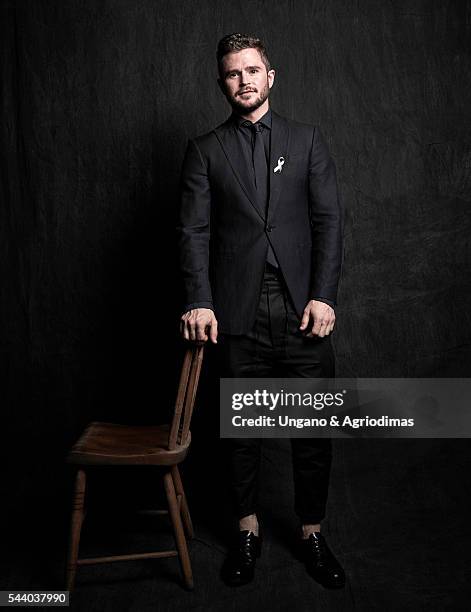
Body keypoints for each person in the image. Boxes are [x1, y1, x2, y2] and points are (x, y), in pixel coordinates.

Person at [177, 32, 345, 589]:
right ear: (222, 83)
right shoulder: (204, 150)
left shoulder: (307, 140)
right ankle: (246, 530)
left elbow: (328, 223)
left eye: (252, 70)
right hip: (236, 312)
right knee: (241, 433)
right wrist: (200, 299)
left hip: (303, 310)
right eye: (232, 73)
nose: (243, 80)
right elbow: (194, 231)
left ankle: (312, 532)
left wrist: (323, 295)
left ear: (270, 76)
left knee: (312, 430)